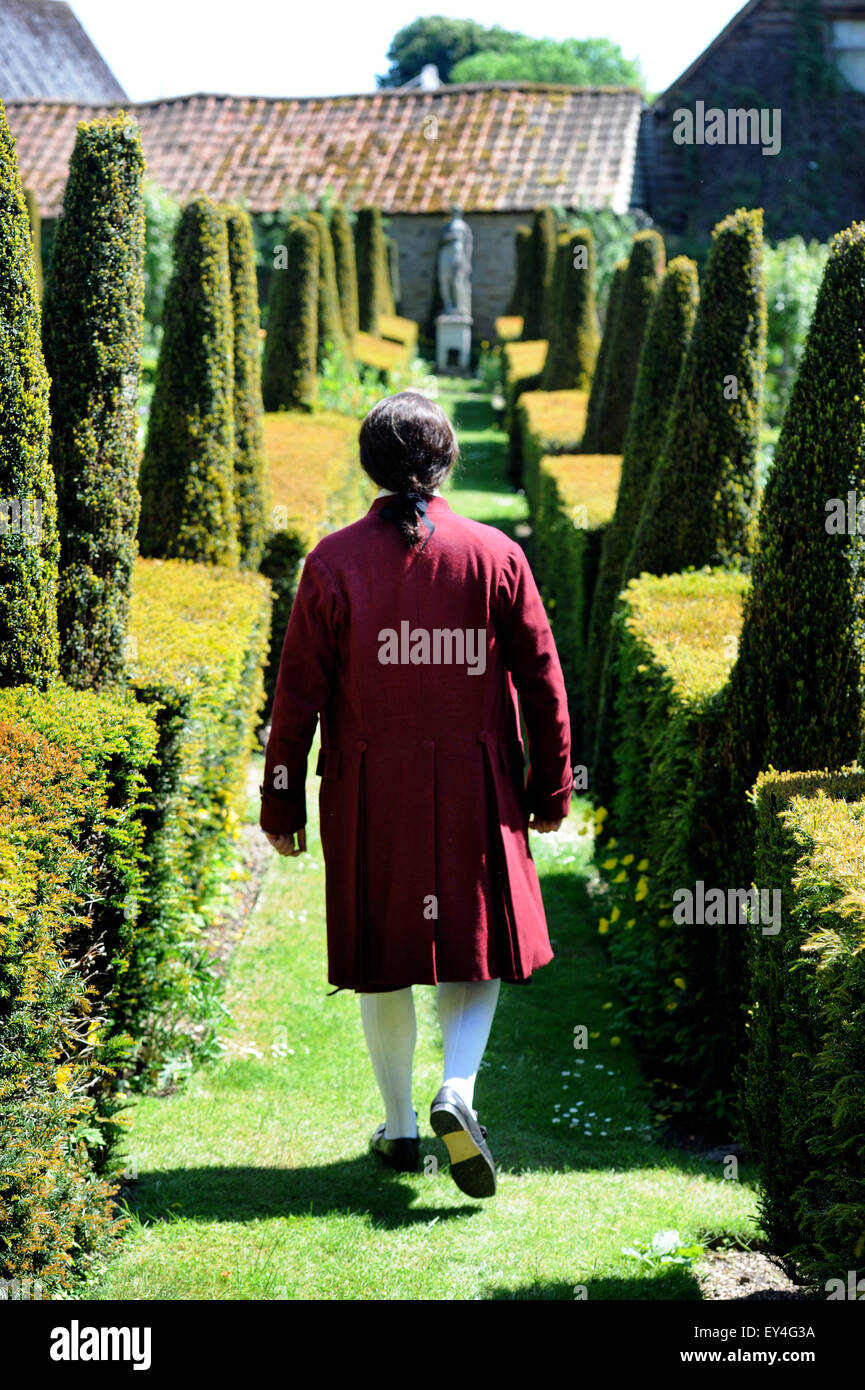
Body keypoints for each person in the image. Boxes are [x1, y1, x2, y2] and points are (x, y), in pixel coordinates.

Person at [260, 391, 573, 1199]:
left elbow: (296, 694)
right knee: (478, 944)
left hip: (370, 784)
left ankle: (400, 1129)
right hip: (478, 779)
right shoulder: (495, 554)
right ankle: (458, 1091)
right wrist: (550, 786)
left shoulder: (331, 561)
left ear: (371, 464)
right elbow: (543, 683)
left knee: (383, 955)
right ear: (446, 463)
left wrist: (281, 802)